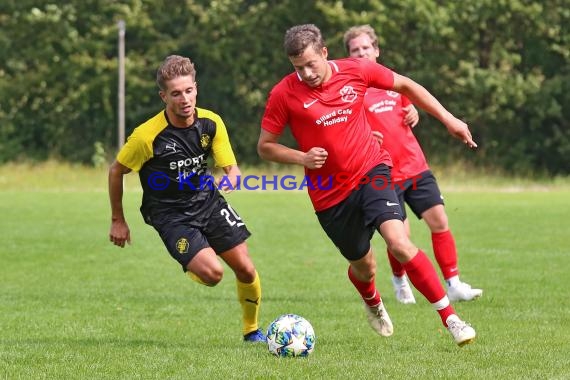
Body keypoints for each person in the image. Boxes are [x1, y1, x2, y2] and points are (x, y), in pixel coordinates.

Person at [257, 24, 477, 346]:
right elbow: (265, 146)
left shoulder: (356, 70)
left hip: (371, 170)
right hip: (330, 194)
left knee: (399, 242)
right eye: (298, 68)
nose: (305, 73)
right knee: (364, 266)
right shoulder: (283, 93)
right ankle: (373, 300)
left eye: (310, 64)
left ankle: (452, 319)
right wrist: (301, 157)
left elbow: (406, 85)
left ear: (324, 53)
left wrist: (449, 119)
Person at [108, 55, 265, 343]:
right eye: (176, 93)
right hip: (170, 215)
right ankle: (195, 259)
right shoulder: (147, 137)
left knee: (246, 268)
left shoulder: (211, 123)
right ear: (163, 96)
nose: (184, 99)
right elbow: (116, 171)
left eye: (188, 90)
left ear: (196, 88)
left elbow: (232, 168)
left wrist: (232, 176)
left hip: (208, 202)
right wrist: (118, 219)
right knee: (214, 274)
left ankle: (252, 331)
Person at [343, 25, 483, 305]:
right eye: (355, 50)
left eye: (366, 48)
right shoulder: (351, 91)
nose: (361, 53)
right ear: (348, 56)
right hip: (383, 172)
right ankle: (399, 281)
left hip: (415, 165)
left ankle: (453, 284)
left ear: (377, 50)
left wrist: (414, 112)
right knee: (400, 237)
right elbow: (345, 129)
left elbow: (409, 104)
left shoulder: (393, 82)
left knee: (440, 220)